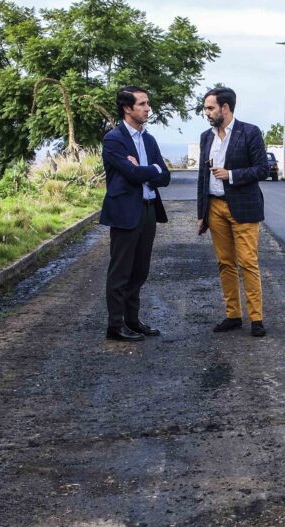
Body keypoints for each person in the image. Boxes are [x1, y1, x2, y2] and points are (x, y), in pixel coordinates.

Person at [196, 86, 269, 338]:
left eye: (210, 108)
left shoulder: (249, 132)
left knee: (247, 262)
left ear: (225, 108)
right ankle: (233, 315)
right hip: (215, 207)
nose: (206, 112)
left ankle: (256, 319)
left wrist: (231, 175)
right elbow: (203, 176)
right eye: (205, 108)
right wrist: (201, 214)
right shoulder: (206, 137)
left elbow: (262, 169)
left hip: (244, 207)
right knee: (225, 263)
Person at [101, 86, 171, 342]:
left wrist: (145, 168)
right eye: (142, 104)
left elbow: (165, 176)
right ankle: (115, 325)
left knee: (140, 270)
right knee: (121, 271)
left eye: (148, 103)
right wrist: (151, 169)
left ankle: (132, 321)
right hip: (125, 212)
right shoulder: (113, 139)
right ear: (127, 108)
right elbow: (131, 174)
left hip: (149, 210)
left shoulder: (149, 140)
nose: (148, 108)